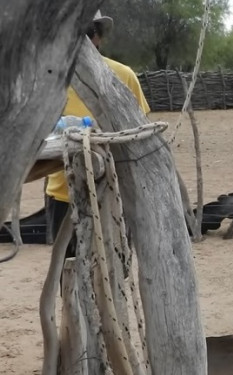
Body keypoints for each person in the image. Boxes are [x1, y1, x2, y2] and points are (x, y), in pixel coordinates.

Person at [45, 10, 151, 256]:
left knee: (114, 275)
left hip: (116, 192)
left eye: (89, 32)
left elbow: (141, 136)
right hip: (63, 194)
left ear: (98, 38)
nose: (83, 41)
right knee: (69, 273)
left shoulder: (123, 76)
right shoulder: (49, 81)